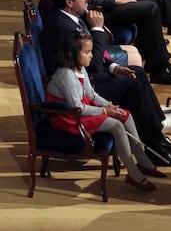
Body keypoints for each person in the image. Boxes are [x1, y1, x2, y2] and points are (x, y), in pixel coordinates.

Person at [40, 0, 171, 167]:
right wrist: (97, 30)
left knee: (135, 73)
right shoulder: (62, 27)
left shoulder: (72, 17)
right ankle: (155, 147)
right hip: (79, 88)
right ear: (69, 2)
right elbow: (92, 67)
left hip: (87, 78)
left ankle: (157, 138)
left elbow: (94, 58)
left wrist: (113, 67)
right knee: (133, 85)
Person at [47, 32, 164, 191]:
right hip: (68, 118)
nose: (91, 56)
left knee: (124, 115)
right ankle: (133, 173)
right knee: (115, 125)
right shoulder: (66, 75)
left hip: (81, 111)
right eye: (87, 52)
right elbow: (78, 108)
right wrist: (104, 111)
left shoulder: (81, 68)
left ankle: (143, 161)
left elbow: (91, 95)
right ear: (74, 53)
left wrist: (111, 107)